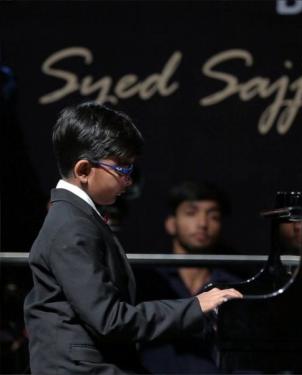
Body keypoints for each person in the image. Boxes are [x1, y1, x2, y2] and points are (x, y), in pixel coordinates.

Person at [23, 102, 242, 375]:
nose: (128, 181)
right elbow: (110, 319)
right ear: (83, 170)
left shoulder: (76, 218)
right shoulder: (71, 226)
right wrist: (197, 305)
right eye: (123, 170)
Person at [139, 181, 241, 374]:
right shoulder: (147, 282)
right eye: (191, 213)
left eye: (214, 216)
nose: (203, 223)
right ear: (171, 224)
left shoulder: (232, 284)